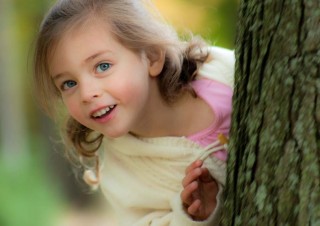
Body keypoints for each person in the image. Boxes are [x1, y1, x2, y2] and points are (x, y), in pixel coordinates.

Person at [33, 0, 235, 225]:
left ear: (152, 57)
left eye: (103, 66)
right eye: (69, 83)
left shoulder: (224, 72)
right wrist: (195, 215)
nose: (86, 94)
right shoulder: (122, 176)